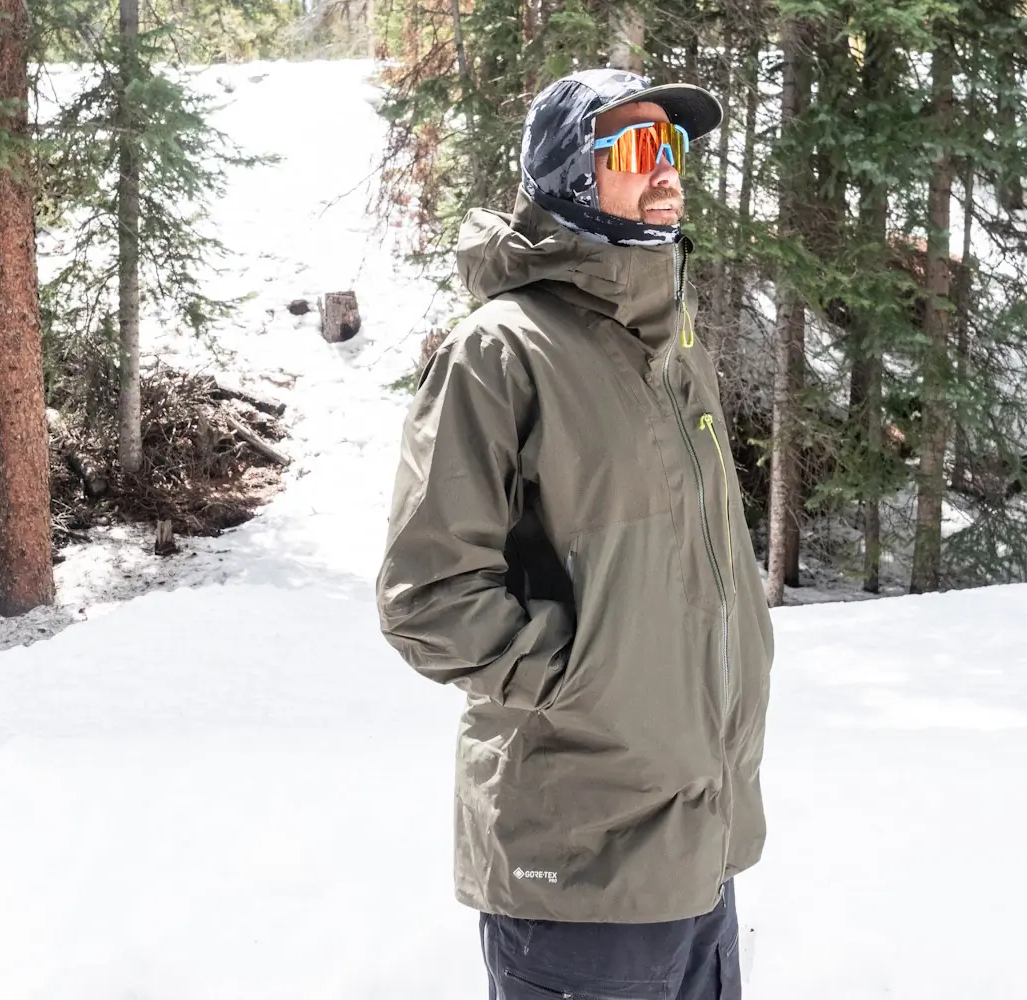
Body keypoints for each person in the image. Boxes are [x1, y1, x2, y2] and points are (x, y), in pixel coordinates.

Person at [377, 68, 774, 1000]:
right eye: (636, 151)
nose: (665, 172)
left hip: (694, 853)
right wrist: (586, 676)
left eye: (670, 149)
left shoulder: (673, 350)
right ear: (565, 175)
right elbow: (428, 599)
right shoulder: (500, 352)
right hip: (578, 874)